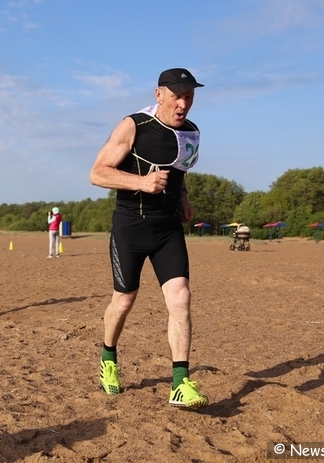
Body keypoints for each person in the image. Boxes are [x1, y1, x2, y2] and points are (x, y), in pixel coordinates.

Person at [88, 68, 208, 409]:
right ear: (159, 95)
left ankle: (180, 383)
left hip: (168, 228)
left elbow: (179, 172)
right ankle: (108, 357)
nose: (183, 103)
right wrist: (141, 182)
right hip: (130, 227)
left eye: (189, 97)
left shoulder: (193, 133)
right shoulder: (134, 125)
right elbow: (97, 173)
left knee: (181, 296)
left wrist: (184, 200)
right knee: (124, 300)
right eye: (177, 96)